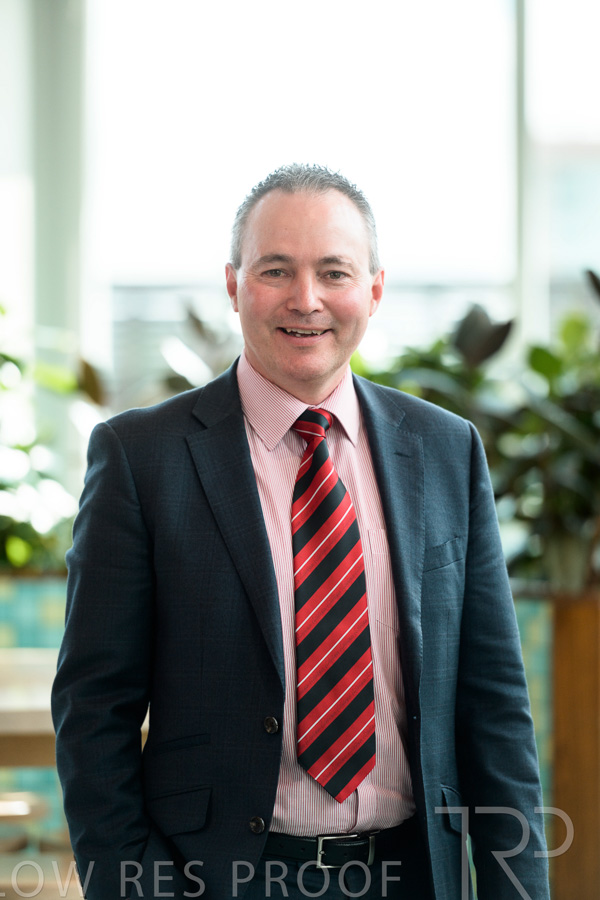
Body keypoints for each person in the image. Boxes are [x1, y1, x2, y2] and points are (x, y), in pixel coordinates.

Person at [52, 164, 550, 899]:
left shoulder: (446, 449)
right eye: (276, 270)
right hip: (220, 880)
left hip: (414, 874)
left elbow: (494, 708)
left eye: (334, 272)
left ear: (374, 290)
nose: (306, 299)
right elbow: (94, 712)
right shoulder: (141, 458)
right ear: (234, 285)